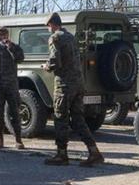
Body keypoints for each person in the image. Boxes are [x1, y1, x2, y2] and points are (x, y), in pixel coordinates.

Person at [42, 12, 104, 167]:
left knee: (60, 117)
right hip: (78, 83)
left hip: (64, 84)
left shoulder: (55, 37)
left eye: (48, 26)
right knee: (78, 119)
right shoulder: (71, 37)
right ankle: (94, 151)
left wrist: (46, 66)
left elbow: (55, 61)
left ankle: (61, 154)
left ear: (52, 24)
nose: (48, 29)